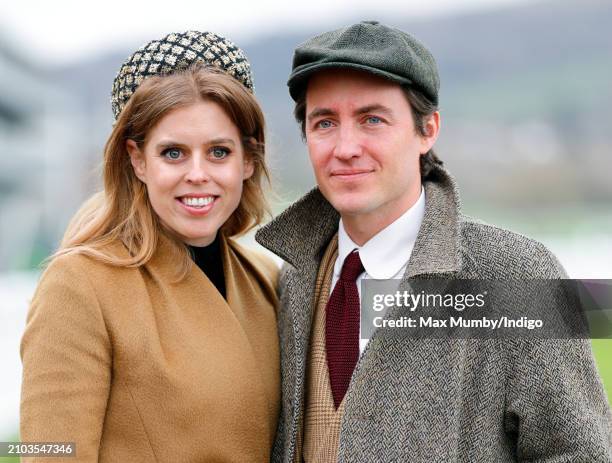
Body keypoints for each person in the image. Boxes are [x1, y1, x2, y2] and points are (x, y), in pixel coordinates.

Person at [255, 20, 612, 462]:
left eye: (372, 119)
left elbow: (581, 453)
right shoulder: (291, 280)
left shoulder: (517, 272)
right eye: (325, 122)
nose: (345, 147)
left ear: (427, 130)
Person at [20, 31, 280, 462]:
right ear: (137, 160)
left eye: (219, 151)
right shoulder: (79, 285)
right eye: (173, 153)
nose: (198, 174)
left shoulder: (268, 280)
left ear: (248, 160)